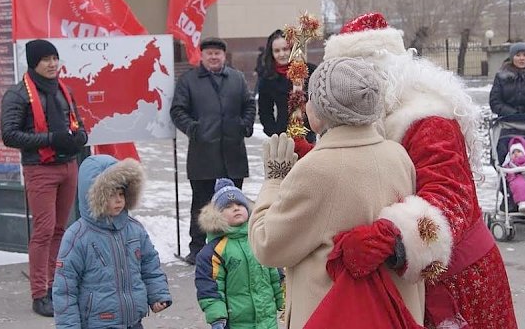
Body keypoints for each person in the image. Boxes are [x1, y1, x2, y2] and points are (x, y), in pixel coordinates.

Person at [319, 12, 517, 329]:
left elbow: (452, 196)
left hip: (458, 282)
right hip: (409, 284)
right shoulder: (377, 117)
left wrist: (389, 237)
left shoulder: (426, 117)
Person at [248, 58, 425, 329]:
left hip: (335, 313)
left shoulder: (316, 169)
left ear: (320, 113)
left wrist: (274, 181)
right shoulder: (397, 155)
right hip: (391, 313)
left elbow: (268, 245)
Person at [0, 39, 88, 317]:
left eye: (55, 58)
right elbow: (10, 135)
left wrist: (80, 137)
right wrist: (51, 139)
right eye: (46, 59)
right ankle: (39, 293)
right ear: (33, 63)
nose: (52, 64)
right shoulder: (17, 95)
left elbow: (77, 122)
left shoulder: (65, 90)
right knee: (44, 231)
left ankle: (55, 285)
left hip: (68, 166)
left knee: (61, 230)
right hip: (40, 168)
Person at [52, 155, 172, 329]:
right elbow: (65, 288)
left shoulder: (134, 229)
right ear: (94, 196)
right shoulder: (78, 236)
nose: (118, 200)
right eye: (111, 194)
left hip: (133, 321)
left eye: (121, 193)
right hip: (98, 322)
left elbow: (150, 265)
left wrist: (158, 294)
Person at [170, 37, 256, 265]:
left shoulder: (236, 78)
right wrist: (193, 129)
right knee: (202, 203)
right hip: (203, 154)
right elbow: (177, 110)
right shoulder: (189, 80)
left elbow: (249, 105)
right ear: (202, 56)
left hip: (233, 153)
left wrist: (243, 125)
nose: (214, 57)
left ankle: (234, 244)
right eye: (209, 53)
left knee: (233, 201)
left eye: (218, 53)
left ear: (224, 56)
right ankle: (198, 248)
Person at [195, 178, 284, 329]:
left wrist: (283, 302)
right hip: (236, 323)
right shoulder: (215, 251)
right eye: (228, 207)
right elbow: (211, 288)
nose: (236, 208)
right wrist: (217, 317)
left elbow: (276, 275)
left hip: (267, 320)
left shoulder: (259, 239)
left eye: (239, 204)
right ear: (217, 216)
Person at [257, 29, 317, 156]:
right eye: (277, 51)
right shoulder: (268, 78)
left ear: (292, 49)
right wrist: (274, 132)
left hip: (309, 135)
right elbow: (265, 111)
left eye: (285, 49)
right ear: (271, 53)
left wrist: (316, 125)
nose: (282, 54)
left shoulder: (309, 71)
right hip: (282, 139)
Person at [490, 42, 525, 122]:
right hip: (506, 122)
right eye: (518, 55)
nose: (522, 58)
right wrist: (513, 114)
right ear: (512, 57)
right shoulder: (501, 76)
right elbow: (495, 102)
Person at [502, 136, 525, 213]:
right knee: (519, 185)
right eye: (513, 152)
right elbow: (507, 172)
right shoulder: (511, 163)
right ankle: (522, 203)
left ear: (524, 152)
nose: (516, 154)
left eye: (518, 152)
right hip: (519, 176)